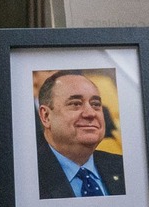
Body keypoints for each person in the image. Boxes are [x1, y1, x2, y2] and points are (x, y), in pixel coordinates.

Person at [34, 71, 127, 199]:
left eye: (95, 105)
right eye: (75, 104)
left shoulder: (125, 168)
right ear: (46, 116)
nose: (90, 113)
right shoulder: (27, 177)